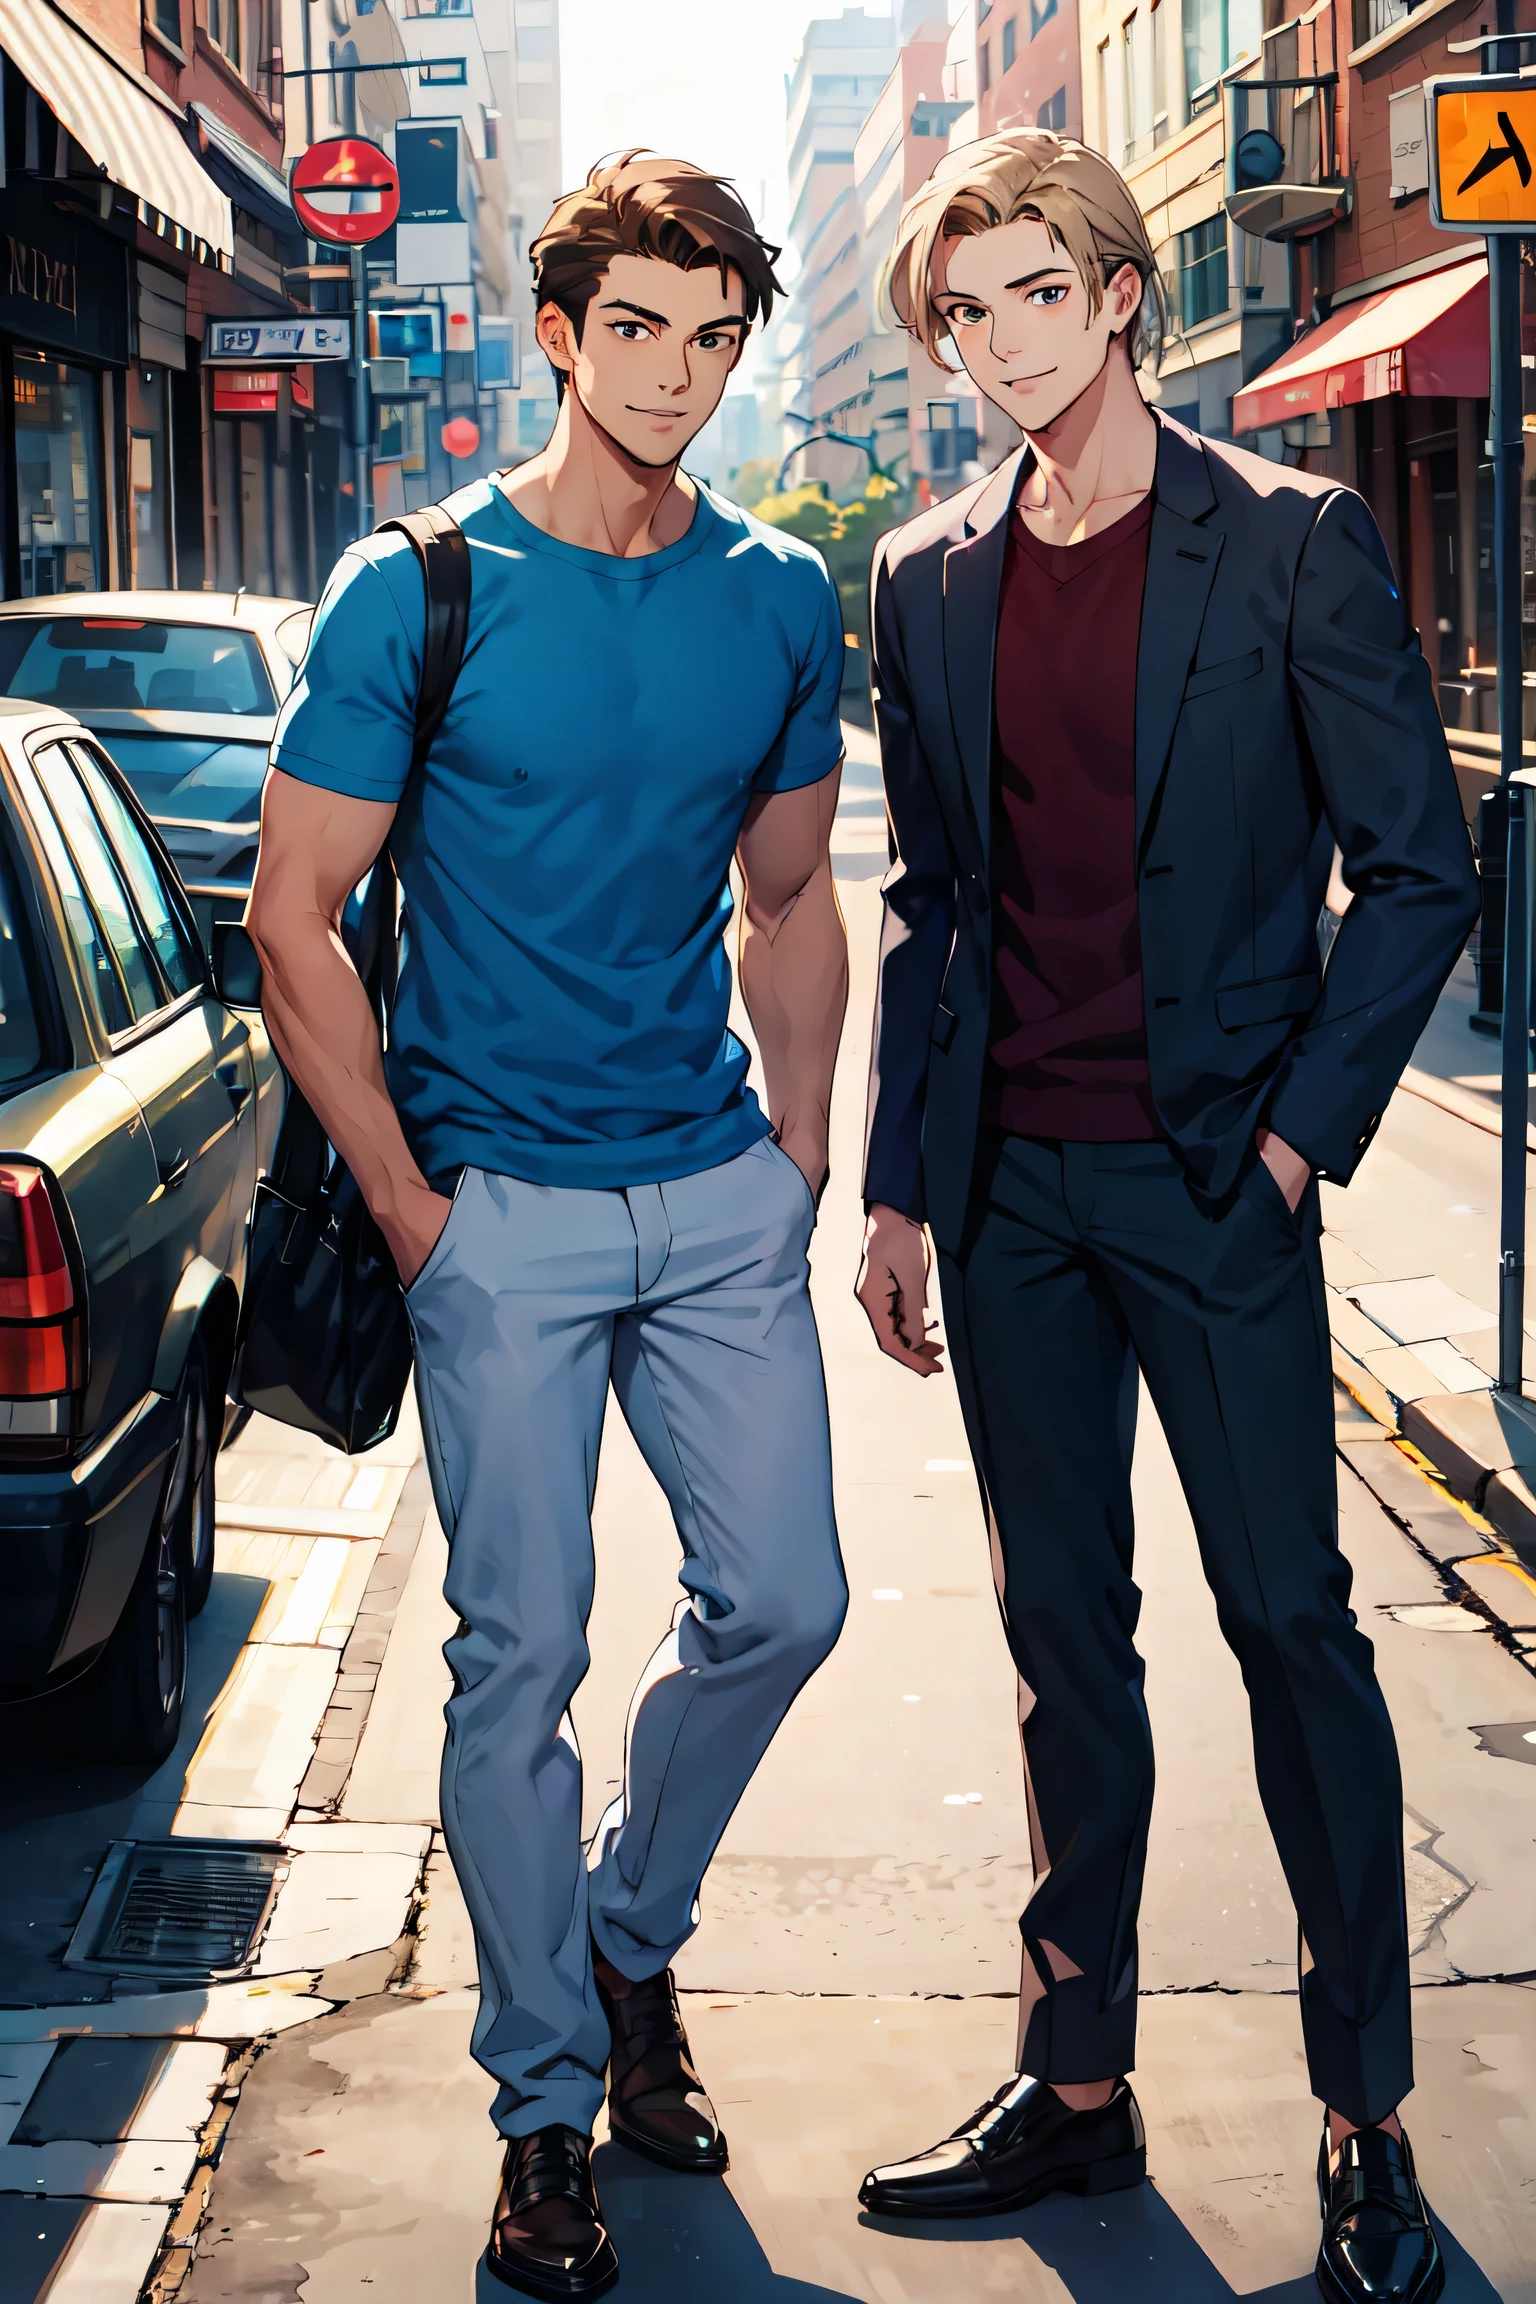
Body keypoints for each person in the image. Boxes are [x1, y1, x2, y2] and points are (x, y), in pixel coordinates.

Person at [852, 131, 1478, 2304]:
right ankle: (1079, 2081)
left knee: (1293, 1627)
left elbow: (1421, 873)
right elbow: (932, 902)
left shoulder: (1289, 542)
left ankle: (1369, 2123)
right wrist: (898, 1185)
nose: (1005, 341)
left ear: (1122, 294)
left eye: (1042, 292)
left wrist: (1297, 1143)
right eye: (970, 311)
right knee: (1061, 1642)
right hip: (1007, 1187)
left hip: (1216, 1181)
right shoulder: (924, 577)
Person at [248, 152, 851, 2303]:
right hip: (496, 1206)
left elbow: (793, 894)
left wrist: (799, 1154)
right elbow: (293, 918)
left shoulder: (781, 597)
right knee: (519, 1660)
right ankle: (540, 2113)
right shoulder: (417, 589)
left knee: (786, 1601)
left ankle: (623, 1935)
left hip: (710, 1190)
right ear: (561, 335)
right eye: (637, 332)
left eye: (712, 338)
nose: (674, 375)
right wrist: (412, 1208)